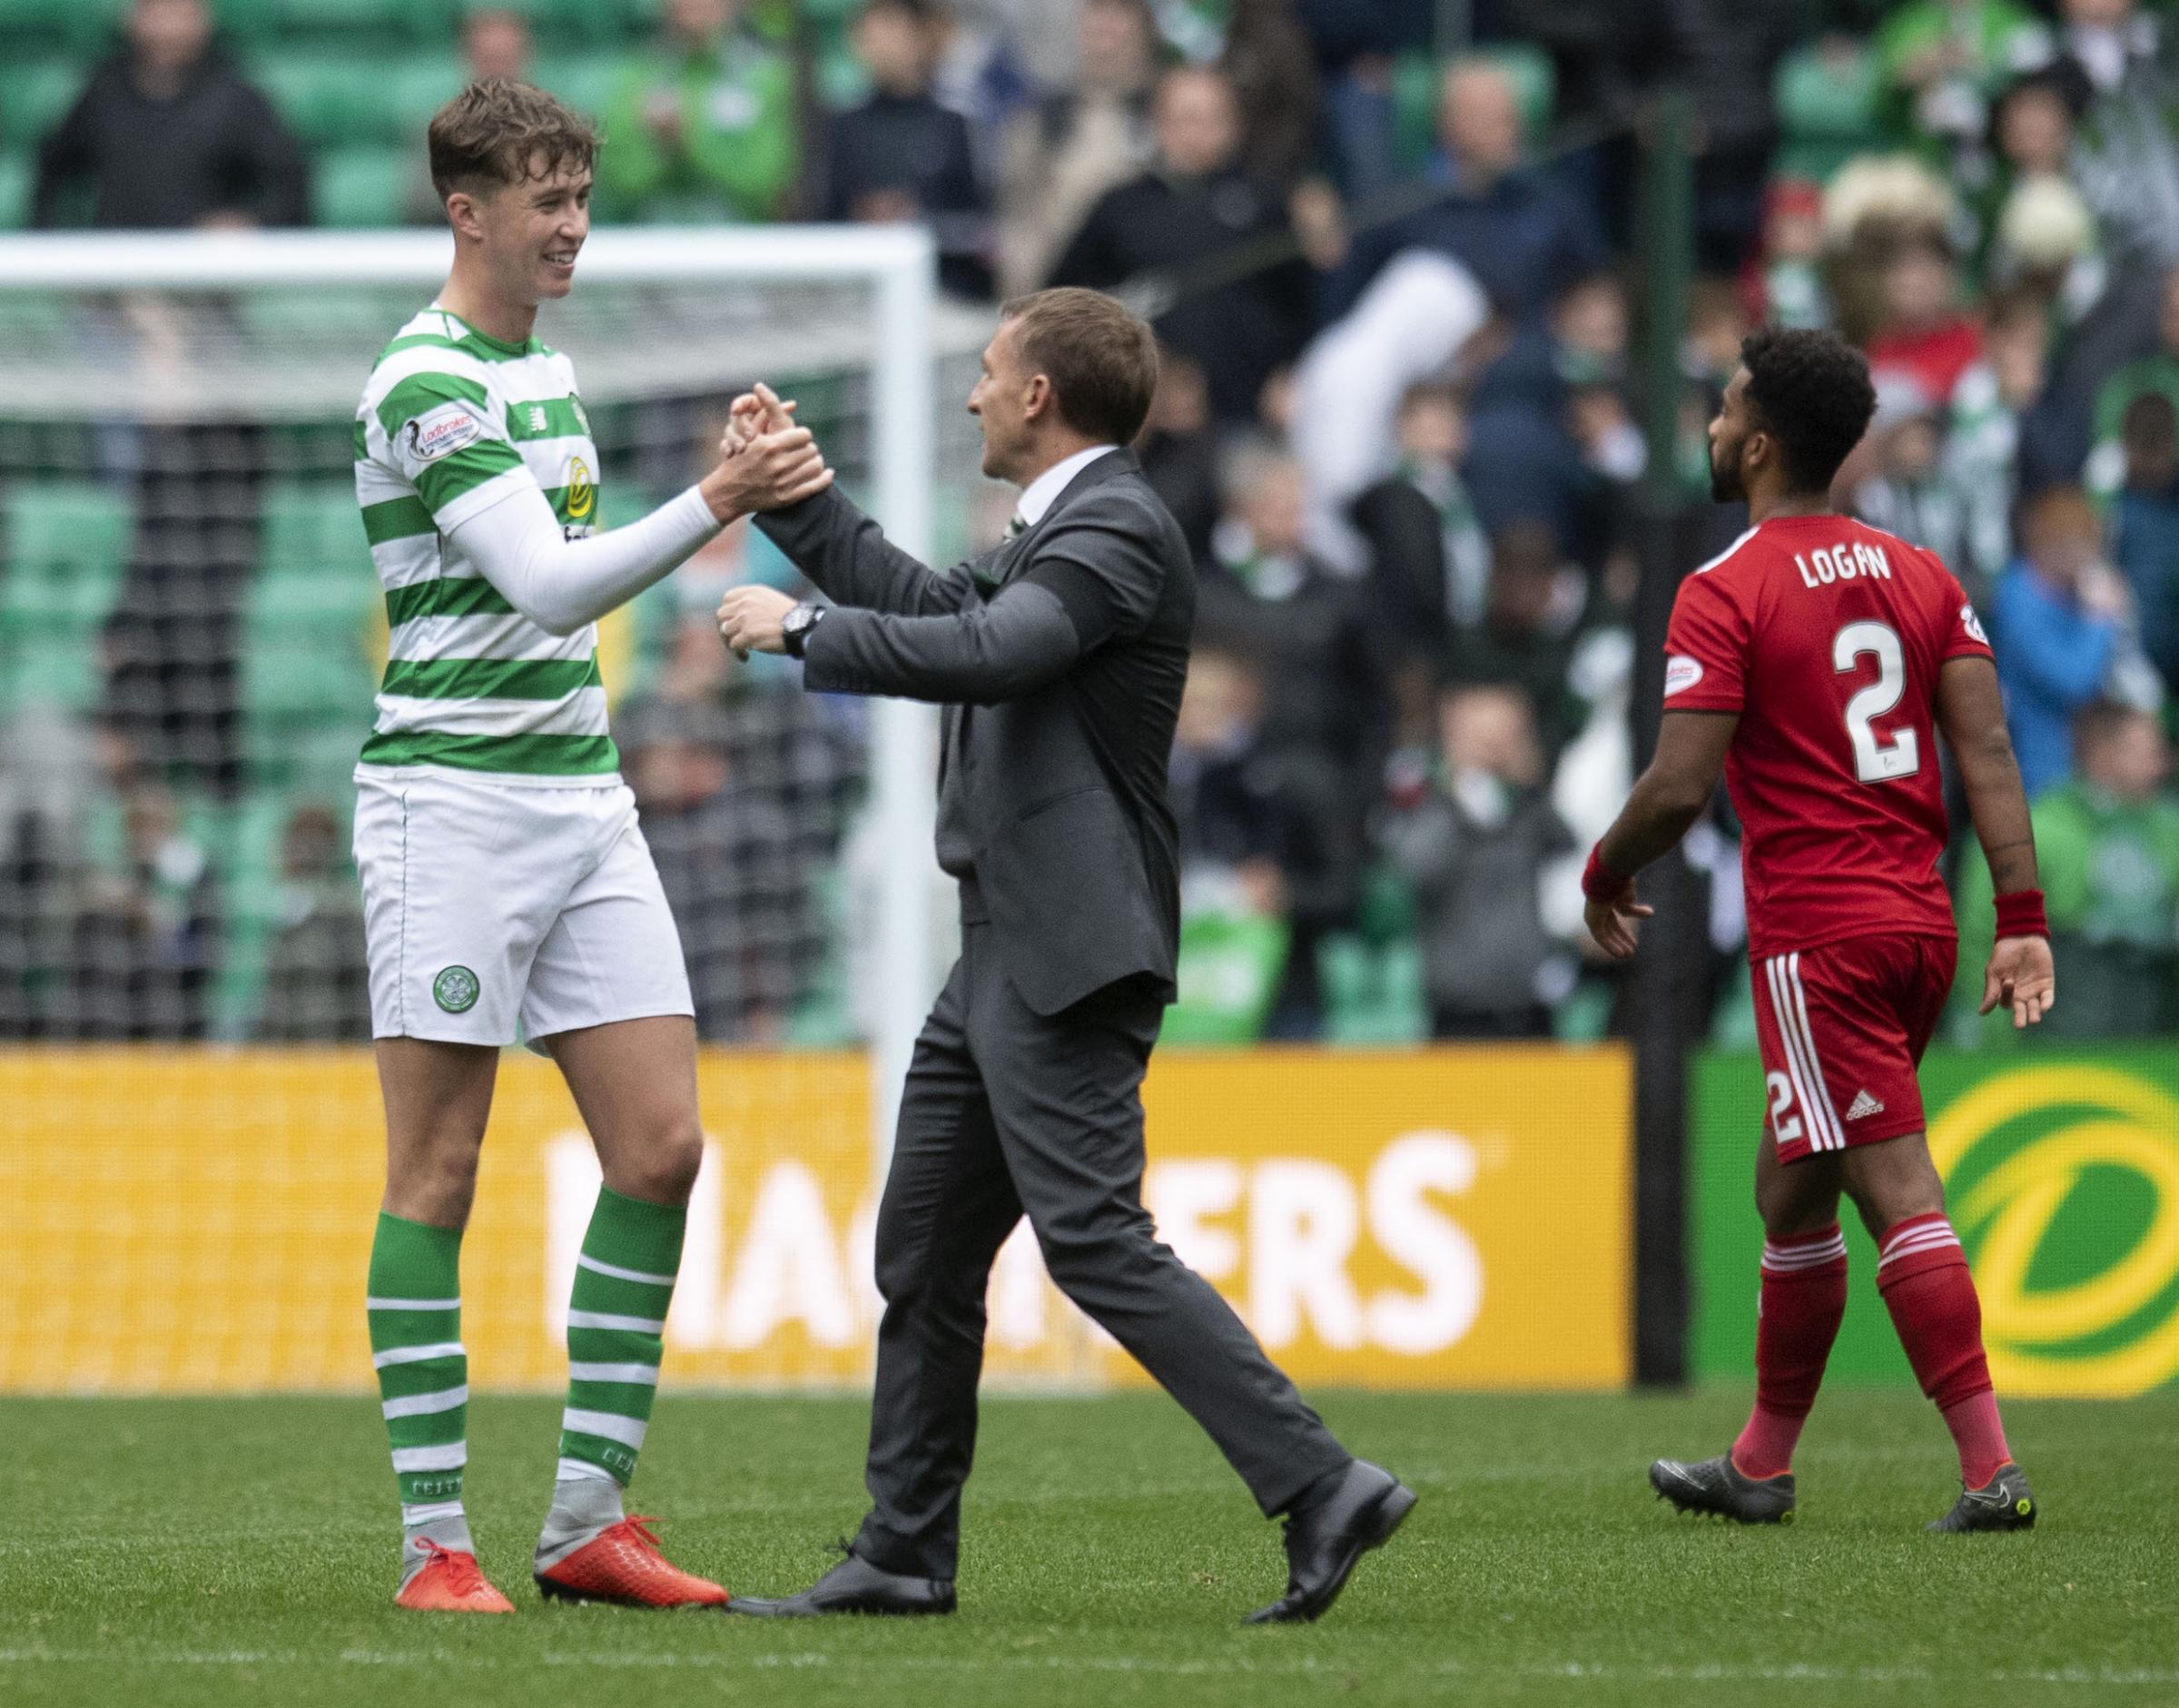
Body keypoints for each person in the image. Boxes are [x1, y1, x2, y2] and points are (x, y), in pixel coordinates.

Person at [714, 288, 1413, 1624]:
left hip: (1066, 944)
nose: (973, 393)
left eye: (987, 373)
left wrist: (802, 630)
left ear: (1039, 396)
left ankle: (1321, 1480)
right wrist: (798, 506)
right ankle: (904, 1551)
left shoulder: (1119, 525)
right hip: (1003, 947)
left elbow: (990, 650)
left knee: (1092, 1237)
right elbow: (938, 605)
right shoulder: (1070, 524)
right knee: (923, 1249)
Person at [350, 78, 831, 1614]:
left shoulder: (540, 369)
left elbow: (564, 593)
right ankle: (437, 1546)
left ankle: (583, 1519)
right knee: (436, 1170)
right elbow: (551, 590)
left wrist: (723, 481)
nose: (569, 227)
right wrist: (718, 494)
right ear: (465, 210)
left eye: (581, 198)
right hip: (452, 807)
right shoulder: (424, 383)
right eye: (543, 201)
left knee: (666, 1147)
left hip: (580, 797)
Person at [1582, 327, 2053, 1533]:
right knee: (1791, 1188)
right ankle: (1759, 1463)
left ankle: (1990, 1468)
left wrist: (1603, 866)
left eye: (1726, 406)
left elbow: (1681, 786)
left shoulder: (1723, 586)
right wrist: (2021, 917)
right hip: (1920, 928)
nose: (1711, 423)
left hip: (1819, 936)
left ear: (1760, 443)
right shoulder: (1920, 572)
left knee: (1895, 1183)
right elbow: (1988, 753)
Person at [1047, 64, 1309, 424]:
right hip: (1142, 427)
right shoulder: (1121, 207)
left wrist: (1292, 371)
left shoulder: (1265, 201)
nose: (1199, 131)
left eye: (1214, 117)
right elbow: (1059, 303)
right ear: (1158, 122)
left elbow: (1304, 299)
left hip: (1250, 419)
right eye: (1187, 117)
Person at [1378, 682, 1577, 1040]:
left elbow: (1568, 851)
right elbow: (1413, 867)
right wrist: (1455, 794)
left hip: (1530, 1005)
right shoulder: (1431, 802)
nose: (1492, 748)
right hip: (1458, 1010)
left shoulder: (1530, 808)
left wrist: (1530, 788)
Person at [32, 0, 308, 231]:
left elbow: (290, 186)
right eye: (156, 11)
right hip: (116, 270)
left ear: (204, 20)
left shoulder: (235, 97)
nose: (169, 28)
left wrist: (247, 223)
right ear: (133, 18)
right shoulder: (101, 93)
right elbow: (51, 170)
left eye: (181, 13)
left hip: (202, 275)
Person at [823, 0, 990, 298]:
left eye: (888, 26)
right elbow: (822, 218)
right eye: (868, 30)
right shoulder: (842, 126)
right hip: (857, 293)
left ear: (919, 36)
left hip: (940, 292)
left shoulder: (955, 123)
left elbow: (977, 225)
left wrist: (915, 218)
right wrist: (865, 218)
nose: (878, 41)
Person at [597, 0, 796, 223]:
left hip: (741, 245)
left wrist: (689, 144)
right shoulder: (637, 78)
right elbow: (615, 184)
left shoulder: (765, 78)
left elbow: (767, 183)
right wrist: (661, 150)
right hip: (651, 243)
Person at [1992, 486, 2129, 799]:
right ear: (2049, 545)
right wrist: (2100, 618)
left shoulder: (2073, 592)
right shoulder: (2019, 599)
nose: (2089, 555)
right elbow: (2072, 682)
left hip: (2080, 745)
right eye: (2081, 544)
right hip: (2035, 751)